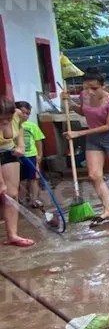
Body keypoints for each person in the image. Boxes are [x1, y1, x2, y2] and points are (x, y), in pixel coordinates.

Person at [64, 69, 109, 223]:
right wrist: (70, 103)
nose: (90, 92)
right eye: (86, 88)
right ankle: (108, 209)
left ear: (103, 86)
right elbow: (84, 112)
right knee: (94, 175)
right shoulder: (84, 96)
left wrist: (79, 133)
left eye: (94, 88)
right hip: (93, 139)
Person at [0, 98, 33, 247]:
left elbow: (19, 128)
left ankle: (12, 235)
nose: (5, 122)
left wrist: (21, 145)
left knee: (11, 195)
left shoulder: (17, 114)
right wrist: (1, 182)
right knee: (2, 189)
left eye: (8, 118)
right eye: (1, 119)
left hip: (8, 151)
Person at [14, 101, 45, 208]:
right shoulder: (12, 125)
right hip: (16, 156)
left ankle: (34, 199)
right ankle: (19, 199)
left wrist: (39, 155)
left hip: (31, 155)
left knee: (34, 178)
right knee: (18, 179)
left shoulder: (32, 126)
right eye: (22, 112)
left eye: (27, 113)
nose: (25, 115)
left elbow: (38, 141)